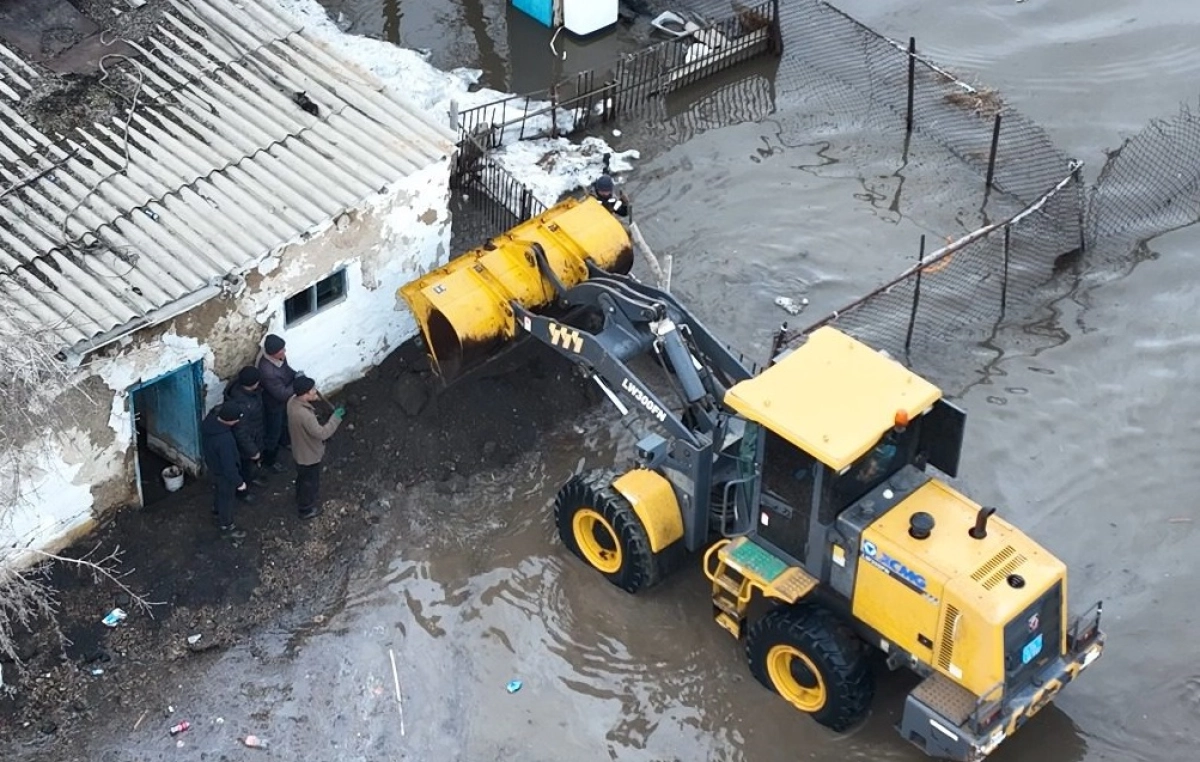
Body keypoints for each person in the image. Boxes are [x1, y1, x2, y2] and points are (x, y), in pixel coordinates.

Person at [286, 376, 344, 520]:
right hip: (309, 455)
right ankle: (306, 509)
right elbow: (322, 433)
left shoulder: (292, 402)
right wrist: (336, 418)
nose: (315, 392)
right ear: (304, 394)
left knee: (302, 478)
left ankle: (300, 498)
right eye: (312, 390)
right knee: (310, 483)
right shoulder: (305, 415)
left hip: (299, 451)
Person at [201, 402, 251, 539]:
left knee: (219, 492)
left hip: (213, 467)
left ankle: (217, 511)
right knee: (227, 499)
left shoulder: (209, 424)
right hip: (224, 475)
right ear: (230, 420)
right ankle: (226, 526)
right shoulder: (224, 440)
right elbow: (229, 467)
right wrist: (239, 483)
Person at [257, 333, 296, 473]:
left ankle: (285, 441)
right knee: (273, 431)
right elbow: (281, 394)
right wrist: (297, 385)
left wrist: (296, 375)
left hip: (283, 400)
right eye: (282, 350)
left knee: (285, 421)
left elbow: (287, 371)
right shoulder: (267, 371)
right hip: (273, 404)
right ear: (273, 353)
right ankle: (270, 460)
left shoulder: (280, 358)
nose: (285, 352)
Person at [225, 365, 267, 487]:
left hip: (256, 434)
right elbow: (241, 432)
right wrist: (252, 451)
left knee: (252, 462)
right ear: (253, 384)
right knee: (247, 464)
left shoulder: (248, 393)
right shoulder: (243, 404)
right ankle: (247, 483)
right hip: (249, 441)